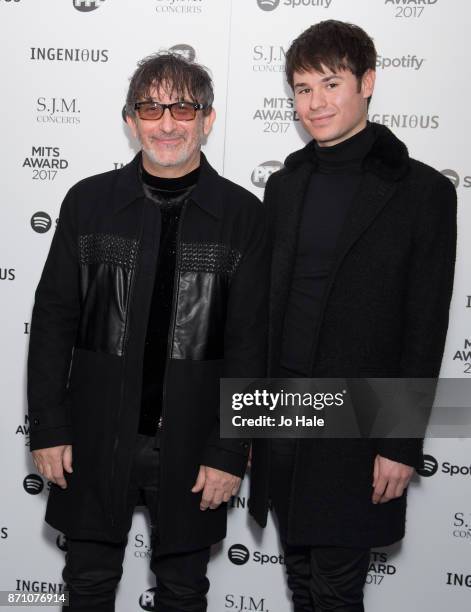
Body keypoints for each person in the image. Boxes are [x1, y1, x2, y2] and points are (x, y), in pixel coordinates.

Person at [28, 52, 268, 612]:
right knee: (86, 586)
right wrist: (48, 427)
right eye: (151, 108)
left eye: (183, 108)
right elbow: (52, 319)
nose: (166, 123)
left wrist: (230, 450)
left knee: (184, 593)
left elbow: (251, 344)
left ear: (208, 120)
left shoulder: (243, 215)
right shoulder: (88, 202)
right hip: (92, 435)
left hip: (191, 445)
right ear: (130, 120)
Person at [249, 20, 456, 612]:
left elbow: (425, 326)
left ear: (367, 82)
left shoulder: (423, 193)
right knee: (300, 582)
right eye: (302, 88)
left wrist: (400, 441)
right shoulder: (285, 186)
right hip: (282, 413)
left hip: (360, 426)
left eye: (330, 84)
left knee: (337, 591)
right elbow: (265, 314)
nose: (314, 103)